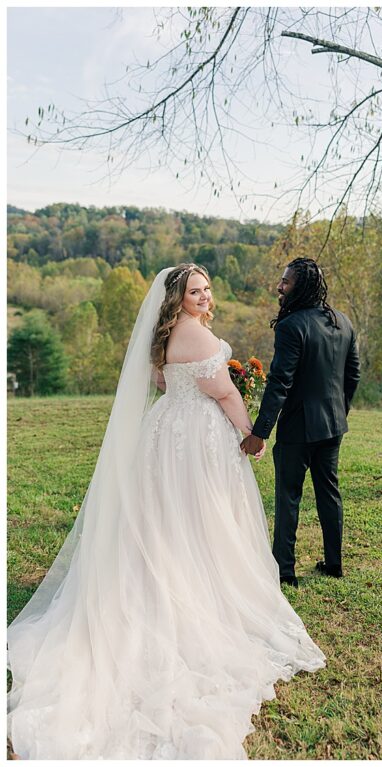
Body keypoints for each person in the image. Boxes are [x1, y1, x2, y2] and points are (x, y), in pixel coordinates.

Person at [7, 263, 325, 759]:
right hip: (195, 437)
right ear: (178, 298)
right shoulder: (197, 335)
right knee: (202, 516)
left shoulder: (165, 335)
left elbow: (161, 380)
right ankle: (196, 588)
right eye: (195, 291)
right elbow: (222, 391)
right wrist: (251, 436)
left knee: (167, 516)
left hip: (166, 431)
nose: (204, 296)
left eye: (207, 289)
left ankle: (166, 571)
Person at [241, 258, 360, 586]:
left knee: (288, 497)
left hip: (298, 430)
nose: (280, 287)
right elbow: (353, 376)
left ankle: (284, 573)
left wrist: (258, 433)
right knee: (329, 493)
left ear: (302, 286)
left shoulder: (291, 326)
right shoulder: (343, 322)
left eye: (286, 282)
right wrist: (338, 412)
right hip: (333, 427)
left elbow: (280, 383)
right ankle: (334, 565)